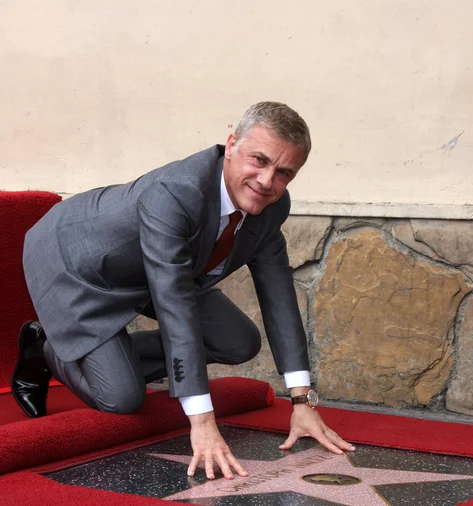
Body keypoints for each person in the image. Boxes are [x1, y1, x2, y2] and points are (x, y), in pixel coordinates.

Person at [12, 101, 355, 479]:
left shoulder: (272, 206)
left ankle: (103, 355)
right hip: (80, 262)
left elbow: (279, 298)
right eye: (259, 159)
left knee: (238, 341)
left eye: (284, 172)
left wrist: (301, 401)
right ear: (231, 144)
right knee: (121, 398)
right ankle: (47, 348)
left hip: (158, 269)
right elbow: (175, 305)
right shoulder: (175, 192)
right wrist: (203, 421)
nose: (266, 181)